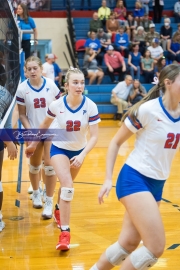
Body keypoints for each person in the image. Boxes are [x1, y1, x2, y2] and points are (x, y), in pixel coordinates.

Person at [90, 63, 180, 270]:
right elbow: (115, 142)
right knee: (155, 247)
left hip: (157, 183)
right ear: (168, 83)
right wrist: (107, 179)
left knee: (127, 244)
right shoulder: (147, 110)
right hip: (135, 178)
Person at [25, 67, 101, 251]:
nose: (79, 86)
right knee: (67, 185)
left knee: (66, 188)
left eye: (82, 82)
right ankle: (65, 234)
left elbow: (94, 136)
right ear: (66, 85)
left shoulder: (90, 105)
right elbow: (44, 125)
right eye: (75, 82)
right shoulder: (57, 105)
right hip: (59, 148)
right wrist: (34, 144)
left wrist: (82, 155)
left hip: (78, 150)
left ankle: (58, 208)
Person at [16, 56, 61, 218]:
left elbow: (60, 106)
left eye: (35, 68)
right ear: (25, 72)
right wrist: (31, 131)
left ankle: (48, 201)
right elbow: (22, 115)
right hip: (33, 130)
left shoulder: (50, 85)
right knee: (35, 166)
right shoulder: (22, 89)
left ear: (41, 69)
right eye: (29, 69)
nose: (33, 71)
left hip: (51, 130)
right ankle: (36, 192)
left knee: (49, 165)